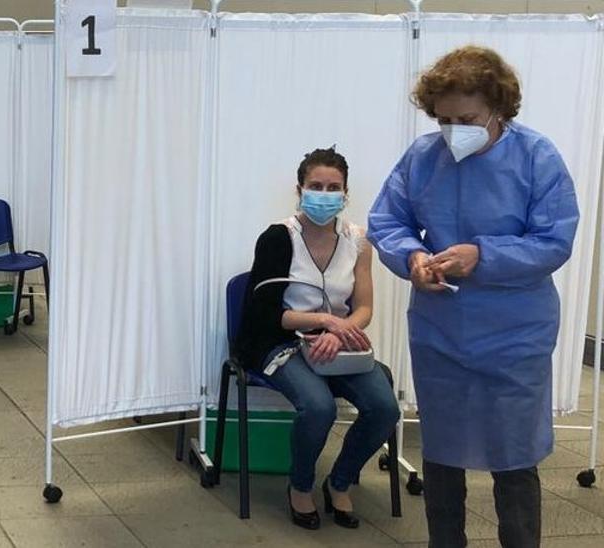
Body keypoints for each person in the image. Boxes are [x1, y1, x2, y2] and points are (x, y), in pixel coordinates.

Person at [368, 46, 579, 548]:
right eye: (443, 119)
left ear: (499, 109)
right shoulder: (423, 157)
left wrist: (481, 256)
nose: (453, 130)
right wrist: (413, 259)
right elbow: (386, 222)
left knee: (513, 457)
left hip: (515, 334)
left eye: (467, 119)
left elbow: (554, 242)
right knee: (443, 452)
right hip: (442, 330)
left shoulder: (536, 157)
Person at [238, 147, 400, 532]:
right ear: (300, 189)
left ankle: (339, 482)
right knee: (319, 406)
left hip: (336, 343)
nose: (324, 194)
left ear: (345, 193)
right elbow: (268, 313)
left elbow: (363, 307)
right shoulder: (278, 237)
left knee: (384, 408)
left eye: (333, 187)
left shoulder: (359, 241)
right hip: (279, 340)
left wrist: (337, 330)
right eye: (315, 186)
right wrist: (327, 320)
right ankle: (300, 486)